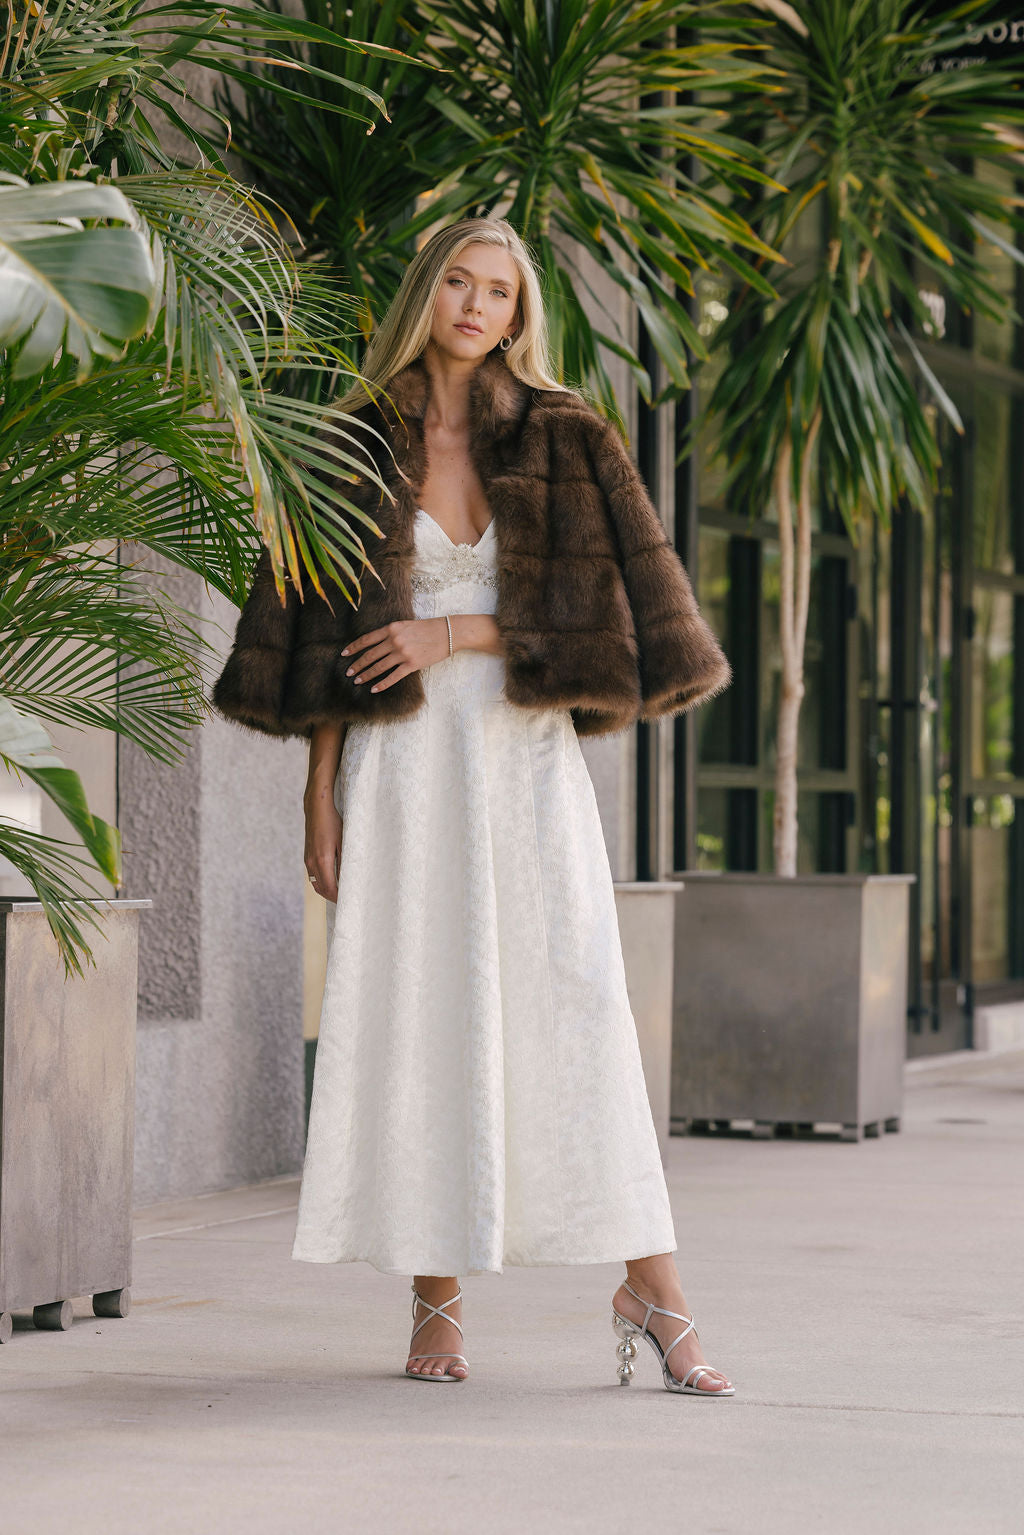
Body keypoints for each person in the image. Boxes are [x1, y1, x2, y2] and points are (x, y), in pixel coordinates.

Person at [212, 216, 735, 1394]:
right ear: (425, 288)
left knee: (578, 1010)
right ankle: (434, 1294)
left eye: (499, 290)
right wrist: (317, 789)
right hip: (397, 777)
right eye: (457, 279)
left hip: (525, 768)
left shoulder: (568, 435)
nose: (476, 304)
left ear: (519, 311)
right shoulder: (352, 441)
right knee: (424, 1013)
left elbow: (614, 631)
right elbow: (319, 641)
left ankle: (656, 1290)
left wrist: (451, 629)